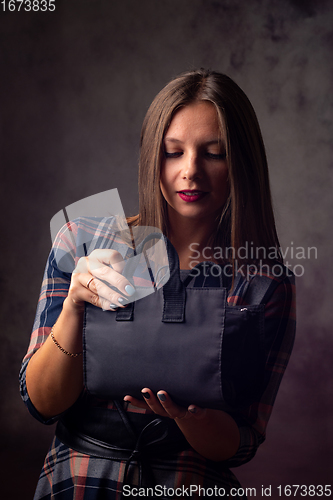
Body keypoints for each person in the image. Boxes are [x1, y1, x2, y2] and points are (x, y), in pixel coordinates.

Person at [20, 69, 296, 499]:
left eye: (214, 153)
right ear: (152, 157)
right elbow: (40, 403)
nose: (190, 171)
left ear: (241, 161)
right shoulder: (83, 242)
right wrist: (75, 303)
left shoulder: (263, 282)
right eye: (173, 152)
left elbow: (244, 439)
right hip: (77, 480)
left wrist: (194, 419)